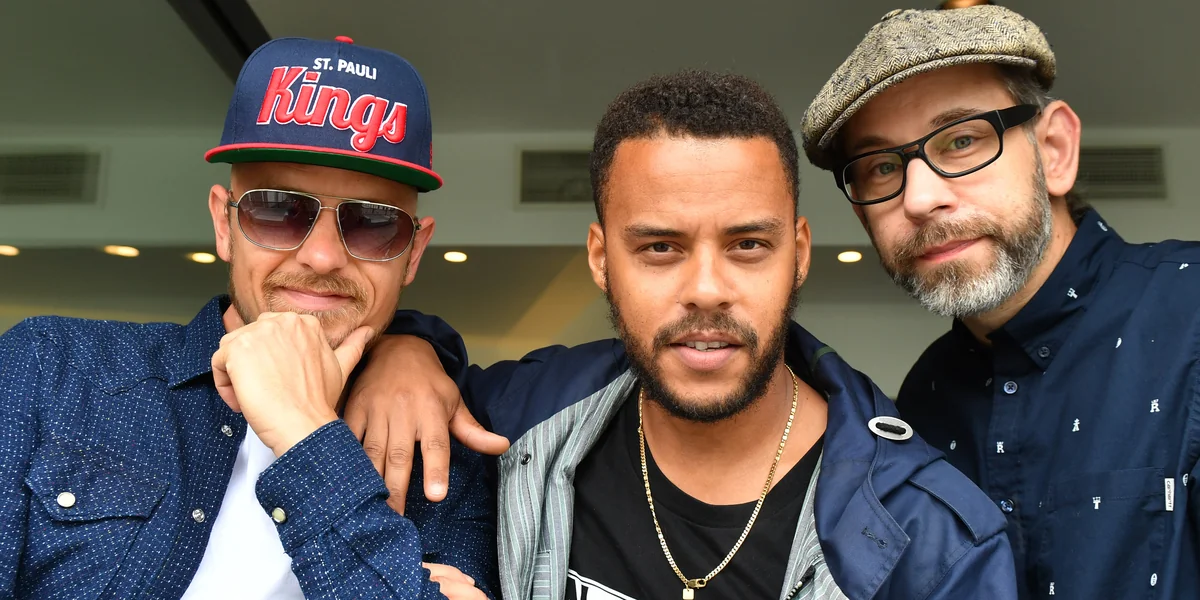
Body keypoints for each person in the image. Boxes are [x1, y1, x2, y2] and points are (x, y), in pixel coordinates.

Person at [349, 69, 1018, 599]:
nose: (706, 288)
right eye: (661, 248)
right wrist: (401, 348)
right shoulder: (511, 421)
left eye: (748, 244)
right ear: (601, 259)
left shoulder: (933, 536)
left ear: (799, 254)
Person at [0, 36, 495, 599]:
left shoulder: (441, 459)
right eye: (279, 210)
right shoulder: (50, 368)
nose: (322, 257)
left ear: (414, 252)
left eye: (373, 223)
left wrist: (306, 433)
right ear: (223, 224)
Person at [795, 5, 1200, 599]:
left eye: (962, 139)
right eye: (881, 167)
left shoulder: (1190, 314)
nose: (919, 198)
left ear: (1054, 150)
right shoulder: (923, 399)